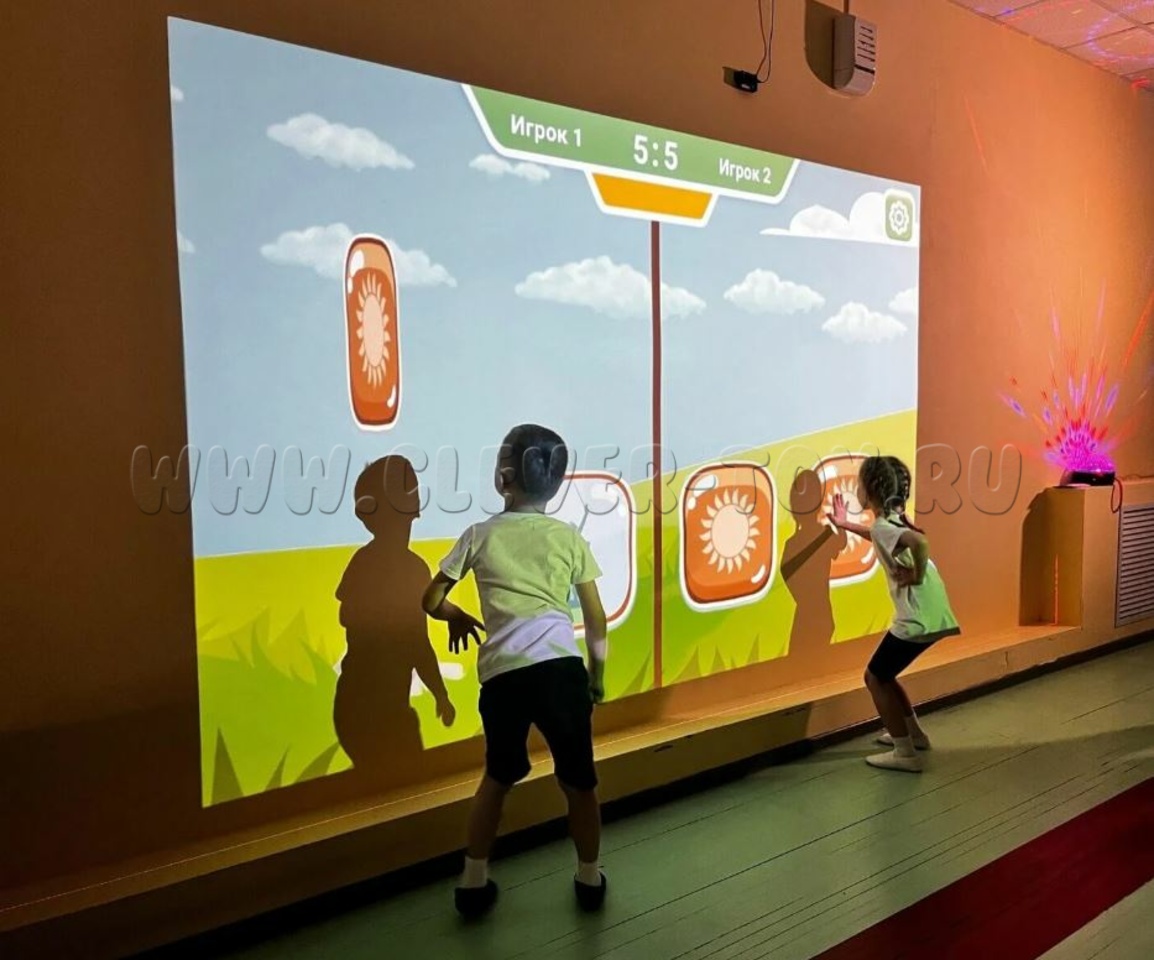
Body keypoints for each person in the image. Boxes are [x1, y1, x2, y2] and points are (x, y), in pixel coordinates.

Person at [422, 424, 609, 916]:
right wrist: (596, 676)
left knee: (498, 777)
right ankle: (589, 877)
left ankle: (473, 880)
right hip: (560, 671)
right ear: (557, 483)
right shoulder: (568, 537)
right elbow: (596, 618)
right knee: (580, 782)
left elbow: (431, 599)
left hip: (503, 678)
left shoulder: (479, 535)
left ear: (503, 477)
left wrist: (456, 615)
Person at [828, 455, 960, 772]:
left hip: (916, 618)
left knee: (874, 677)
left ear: (871, 491)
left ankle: (905, 753)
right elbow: (883, 536)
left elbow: (920, 543)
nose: (857, 490)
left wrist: (914, 575)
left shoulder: (884, 527)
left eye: (860, 485)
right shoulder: (894, 520)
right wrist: (846, 525)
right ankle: (914, 736)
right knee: (886, 675)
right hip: (933, 612)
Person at [334, 457, 455, 786]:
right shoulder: (382, 564)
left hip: (378, 706)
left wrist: (440, 694)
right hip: (366, 705)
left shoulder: (407, 567)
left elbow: (418, 645)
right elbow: (350, 616)